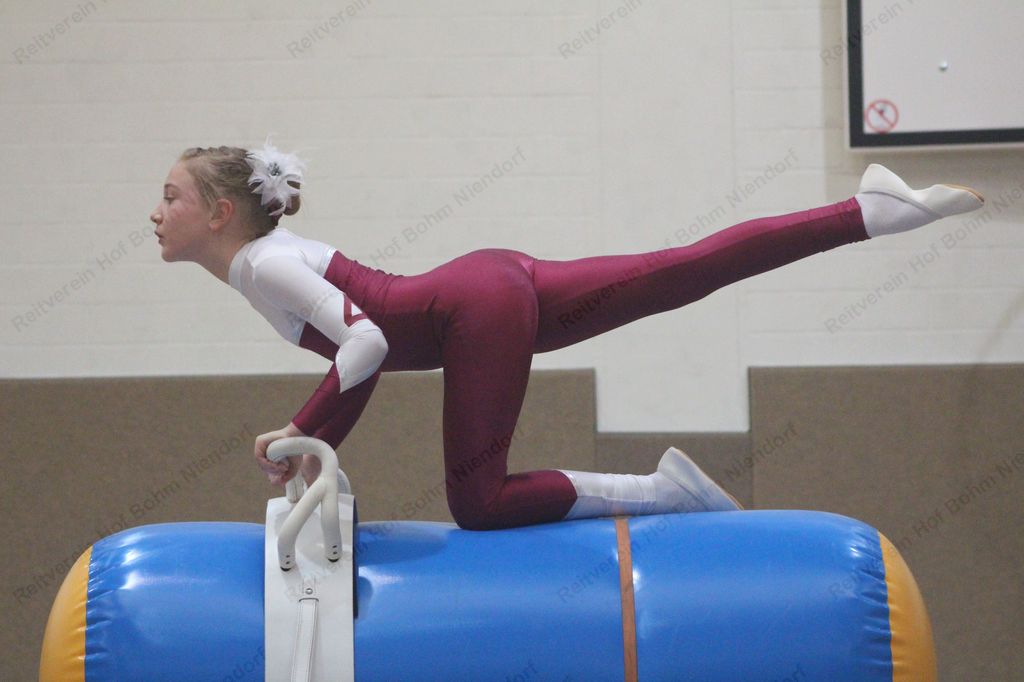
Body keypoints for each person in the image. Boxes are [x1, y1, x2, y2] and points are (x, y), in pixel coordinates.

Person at [150, 139, 984, 530]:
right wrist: (316, 440)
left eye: (171, 197)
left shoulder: (263, 263)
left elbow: (366, 345)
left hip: (473, 312)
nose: (155, 214)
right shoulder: (268, 259)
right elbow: (362, 352)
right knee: (679, 270)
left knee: (478, 504)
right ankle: (867, 212)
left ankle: (662, 493)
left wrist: (304, 426)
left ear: (220, 213)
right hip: (488, 288)